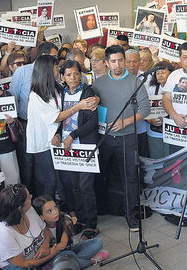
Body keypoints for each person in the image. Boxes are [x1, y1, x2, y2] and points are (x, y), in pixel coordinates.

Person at [92, 45, 150, 230]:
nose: (118, 65)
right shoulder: (98, 84)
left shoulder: (135, 82)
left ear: (125, 60)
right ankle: (102, 209)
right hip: (104, 138)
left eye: (120, 60)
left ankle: (131, 215)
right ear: (107, 63)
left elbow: (146, 109)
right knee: (100, 175)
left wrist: (125, 122)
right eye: (113, 61)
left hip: (127, 137)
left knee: (130, 178)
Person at [26, 55, 96, 198]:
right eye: (56, 67)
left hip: (57, 139)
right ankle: (47, 214)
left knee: (62, 180)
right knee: (50, 180)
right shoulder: (36, 94)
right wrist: (79, 106)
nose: (58, 69)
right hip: (43, 142)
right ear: (47, 70)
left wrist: (96, 98)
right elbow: (56, 117)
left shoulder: (57, 87)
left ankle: (65, 211)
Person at [55, 60, 100, 241]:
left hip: (84, 144)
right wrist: (57, 133)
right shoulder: (60, 93)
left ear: (80, 74)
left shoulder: (88, 92)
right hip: (67, 146)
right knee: (73, 185)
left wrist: (72, 135)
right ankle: (80, 219)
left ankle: (91, 224)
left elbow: (92, 122)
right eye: (68, 74)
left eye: (75, 73)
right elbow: (58, 117)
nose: (72, 77)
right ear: (62, 77)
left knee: (85, 186)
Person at [10, 42, 59, 192]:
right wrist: (16, 122)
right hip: (26, 124)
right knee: (27, 164)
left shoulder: (53, 76)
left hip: (50, 127)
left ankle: (43, 200)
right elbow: (13, 97)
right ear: (44, 56)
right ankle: (28, 198)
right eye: (54, 57)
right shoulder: (23, 72)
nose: (56, 61)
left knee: (45, 167)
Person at [0, 184, 76, 269]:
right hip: (20, 267)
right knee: (68, 258)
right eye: (28, 197)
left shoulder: (29, 210)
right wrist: (52, 253)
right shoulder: (4, 233)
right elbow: (21, 264)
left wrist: (45, 246)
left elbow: (46, 230)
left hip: (39, 260)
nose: (31, 196)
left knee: (71, 253)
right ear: (19, 208)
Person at [32, 196, 108, 268]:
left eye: (55, 207)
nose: (55, 212)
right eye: (49, 211)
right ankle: (90, 261)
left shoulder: (65, 219)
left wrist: (54, 249)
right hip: (53, 256)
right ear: (41, 217)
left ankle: (66, 263)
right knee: (68, 255)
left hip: (68, 249)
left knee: (98, 242)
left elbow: (63, 245)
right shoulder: (39, 229)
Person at [146, 61, 174, 159]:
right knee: (156, 159)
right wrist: (149, 120)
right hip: (154, 131)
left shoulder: (176, 89)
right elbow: (145, 108)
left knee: (170, 161)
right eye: (157, 73)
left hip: (171, 131)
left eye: (163, 72)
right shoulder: (151, 89)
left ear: (171, 74)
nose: (160, 75)